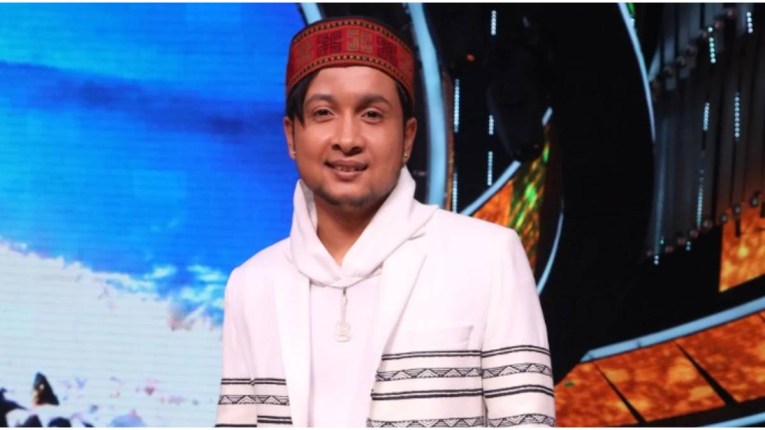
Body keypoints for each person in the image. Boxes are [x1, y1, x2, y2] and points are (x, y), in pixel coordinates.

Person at [216, 16, 555, 428]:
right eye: (323, 112)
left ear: (408, 137)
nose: (347, 139)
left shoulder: (488, 258)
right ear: (291, 136)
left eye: (372, 114)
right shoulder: (251, 284)